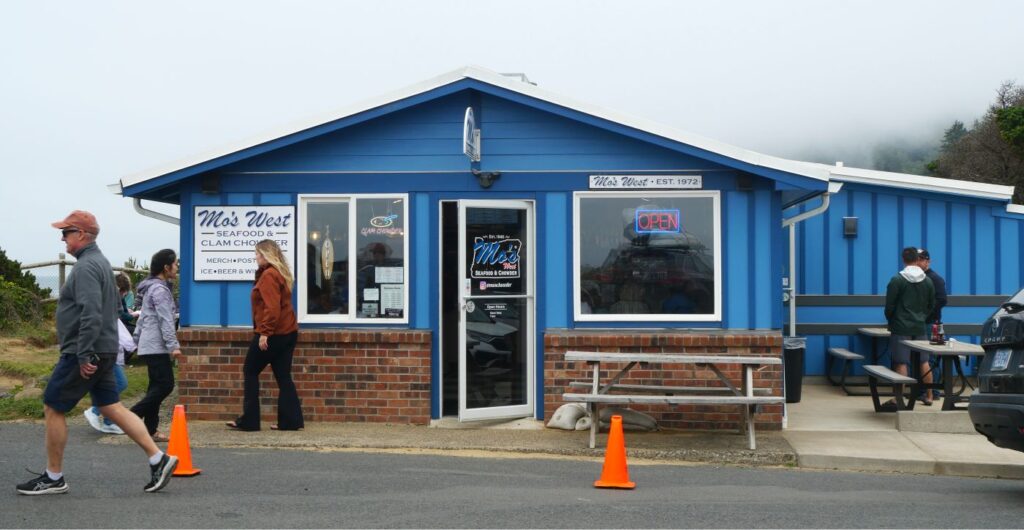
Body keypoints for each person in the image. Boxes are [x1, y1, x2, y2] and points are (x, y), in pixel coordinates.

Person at [16, 210, 177, 496]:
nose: (62, 237)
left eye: (66, 232)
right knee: (110, 406)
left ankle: (54, 477)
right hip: (103, 348)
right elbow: (109, 310)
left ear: (82, 235)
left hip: (85, 350)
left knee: (53, 406)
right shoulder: (101, 263)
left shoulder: (87, 267)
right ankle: (158, 458)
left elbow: (90, 312)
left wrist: (84, 354)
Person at [226, 239, 304, 431]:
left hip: (274, 334)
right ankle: (291, 421)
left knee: (250, 371)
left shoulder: (269, 275)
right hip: (288, 333)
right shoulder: (279, 273)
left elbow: (272, 308)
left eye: (258, 254)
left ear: (266, 255)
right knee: (283, 376)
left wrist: (264, 333)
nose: (255, 257)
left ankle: (250, 421)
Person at [130, 249, 182, 442]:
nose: (177, 268)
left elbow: (143, 318)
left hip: (149, 345)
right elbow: (165, 319)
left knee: (155, 387)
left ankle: (150, 430)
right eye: (175, 264)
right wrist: (173, 345)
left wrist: (136, 340)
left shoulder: (153, 287)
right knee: (166, 385)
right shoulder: (159, 290)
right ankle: (131, 416)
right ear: (166, 267)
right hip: (156, 346)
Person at [884, 247, 935, 408]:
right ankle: (930, 395)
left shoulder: (897, 280)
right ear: (917, 259)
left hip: (900, 327)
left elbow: (889, 306)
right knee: (924, 361)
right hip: (919, 326)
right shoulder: (927, 281)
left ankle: (898, 398)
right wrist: (921, 317)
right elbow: (931, 305)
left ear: (903, 259)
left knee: (901, 362)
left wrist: (892, 320)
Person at [83, 318, 135, 435]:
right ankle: (95, 410)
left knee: (110, 387)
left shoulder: (109, 312)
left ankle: (109, 422)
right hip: (109, 355)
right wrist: (134, 347)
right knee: (121, 383)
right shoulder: (110, 314)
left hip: (112, 355)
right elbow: (123, 335)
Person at [918, 248, 948, 404]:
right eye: (916, 259)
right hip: (923, 323)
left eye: (921, 259)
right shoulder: (917, 278)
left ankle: (934, 391)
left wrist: (926, 314)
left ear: (928, 261)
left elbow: (942, 300)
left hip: (934, 324)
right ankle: (923, 390)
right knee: (922, 358)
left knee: (932, 358)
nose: (918, 262)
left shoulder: (935, 278)